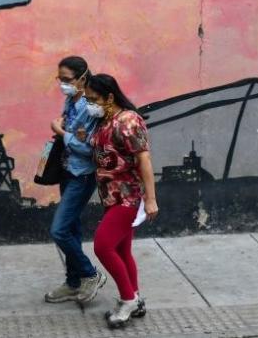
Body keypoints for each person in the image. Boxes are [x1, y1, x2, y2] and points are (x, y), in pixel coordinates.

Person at [84, 73, 159, 328]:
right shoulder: (105, 121)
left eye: (93, 99)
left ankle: (127, 299)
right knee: (121, 250)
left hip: (127, 196)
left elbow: (144, 160)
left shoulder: (128, 121)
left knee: (103, 246)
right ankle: (135, 299)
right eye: (87, 99)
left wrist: (150, 199)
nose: (89, 104)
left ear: (110, 97)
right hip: (110, 197)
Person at [45, 56, 106, 304]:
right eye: (60, 79)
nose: (62, 84)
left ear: (82, 77)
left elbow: (90, 148)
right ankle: (73, 283)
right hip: (66, 170)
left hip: (82, 175)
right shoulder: (71, 100)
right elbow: (74, 137)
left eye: (67, 79)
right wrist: (63, 132)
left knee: (58, 230)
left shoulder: (91, 106)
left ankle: (90, 274)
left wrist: (62, 132)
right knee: (71, 228)